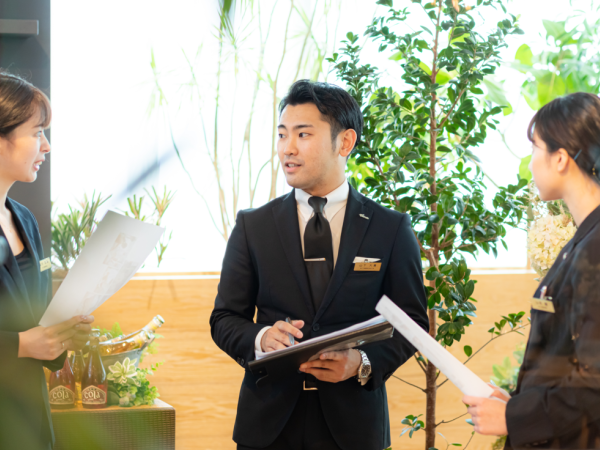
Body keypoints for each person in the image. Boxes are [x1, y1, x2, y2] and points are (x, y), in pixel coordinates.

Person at [210, 79, 429, 450]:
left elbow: (413, 323)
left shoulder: (389, 228)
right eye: (282, 135)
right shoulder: (253, 226)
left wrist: (361, 362)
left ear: (345, 142)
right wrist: (262, 337)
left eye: (303, 134)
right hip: (267, 428)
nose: (288, 148)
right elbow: (225, 318)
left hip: (354, 429)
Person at [463, 92, 600, 448]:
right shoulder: (583, 239)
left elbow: (594, 383)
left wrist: (514, 417)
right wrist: (517, 403)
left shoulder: (595, 247)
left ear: (560, 158)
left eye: (535, 148)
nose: (531, 162)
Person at [0, 71, 94, 450]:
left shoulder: (24, 219)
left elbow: (35, 317)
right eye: (37, 133)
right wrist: (21, 345)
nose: (47, 146)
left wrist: (63, 334)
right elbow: (23, 339)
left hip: (30, 420)